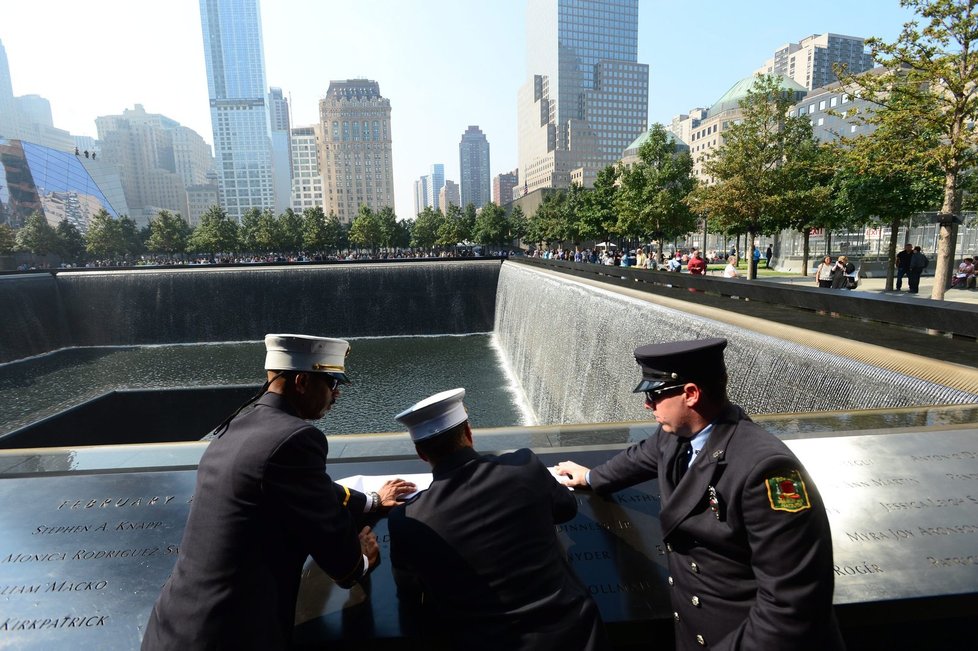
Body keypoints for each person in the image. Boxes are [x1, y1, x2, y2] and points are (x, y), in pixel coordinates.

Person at [555, 339, 843, 651]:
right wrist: (590, 477)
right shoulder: (678, 438)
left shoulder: (767, 470)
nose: (647, 405)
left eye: (654, 394)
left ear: (691, 394)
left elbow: (793, 605)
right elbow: (639, 458)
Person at [142, 334, 415, 650]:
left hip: (174, 625)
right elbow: (342, 563)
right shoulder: (296, 438)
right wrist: (362, 560)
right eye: (331, 383)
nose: (336, 394)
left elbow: (310, 488)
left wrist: (372, 500)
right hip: (231, 635)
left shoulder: (235, 427)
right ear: (301, 381)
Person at [388, 389, 607, 650]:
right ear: (468, 434)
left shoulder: (408, 519)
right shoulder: (525, 466)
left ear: (421, 454)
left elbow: (410, 591)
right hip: (575, 635)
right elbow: (566, 509)